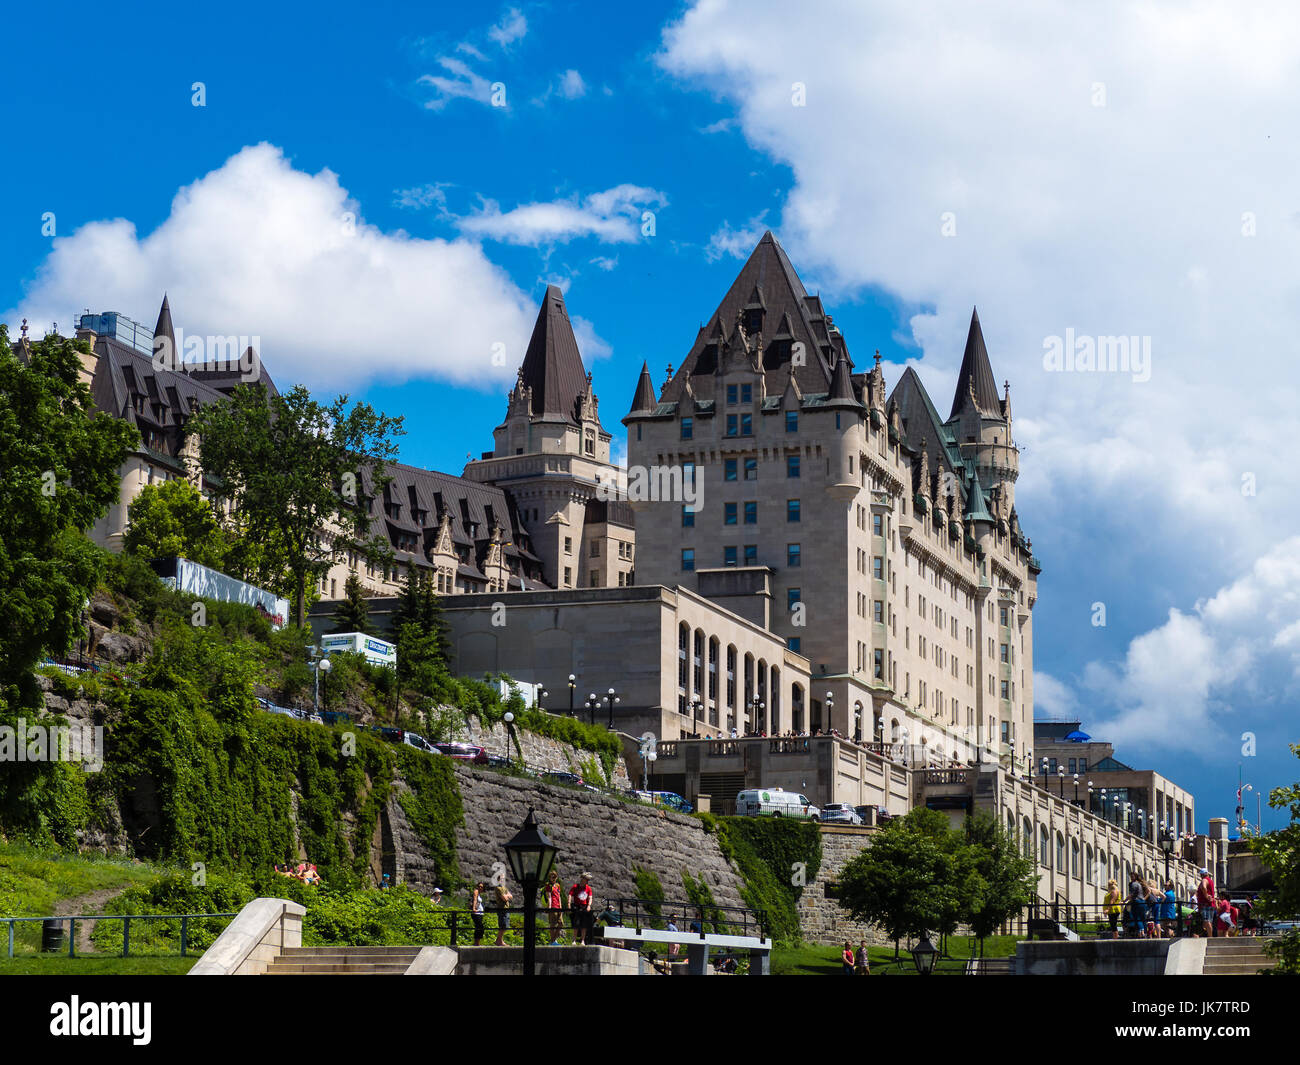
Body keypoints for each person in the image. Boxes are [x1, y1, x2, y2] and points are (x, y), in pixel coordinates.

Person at [568, 872, 595, 945]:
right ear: (582, 879)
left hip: (584, 907)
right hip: (577, 906)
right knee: (576, 923)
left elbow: (590, 897)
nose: (587, 881)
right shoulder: (575, 886)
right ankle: (574, 940)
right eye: (586, 879)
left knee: (584, 925)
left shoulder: (588, 888)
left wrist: (589, 905)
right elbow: (570, 895)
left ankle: (583, 940)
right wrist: (569, 903)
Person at [544, 870, 564, 946]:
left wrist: (561, 907)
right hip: (553, 906)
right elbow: (549, 897)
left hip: (558, 906)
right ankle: (553, 941)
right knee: (553, 924)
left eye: (555, 877)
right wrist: (549, 907)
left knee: (561, 924)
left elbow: (559, 897)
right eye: (552, 877)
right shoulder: (548, 886)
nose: (553, 878)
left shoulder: (558, 885)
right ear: (549, 878)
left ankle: (553, 940)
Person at [1196, 868, 1215, 938]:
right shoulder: (1211, 881)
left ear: (1201, 874)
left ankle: (1210, 937)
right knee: (1208, 921)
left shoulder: (1204, 880)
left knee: (1207, 921)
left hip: (1205, 904)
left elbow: (1204, 887)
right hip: (1210, 904)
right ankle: (1208, 935)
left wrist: (1206, 896)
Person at [493, 881, 513, 946]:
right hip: (502, 908)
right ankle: (499, 940)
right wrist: (507, 896)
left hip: (506, 908)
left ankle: (499, 940)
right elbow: (504, 898)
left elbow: (511, 896)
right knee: (503, 925)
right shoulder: (498, 888)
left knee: (506, 925)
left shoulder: (504, 887)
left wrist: (507, 896)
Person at [470, 880, 487, 946]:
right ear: (477, 886)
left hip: (480, 913)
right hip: (476, 913)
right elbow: (474, 900)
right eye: (479, 886)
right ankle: (476, 943)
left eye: (482, 887)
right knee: (480, 927)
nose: (480, 888)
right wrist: (473, 908)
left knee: (479, 927)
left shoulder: (479, 893)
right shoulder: (476, 891)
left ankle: (477, 943)